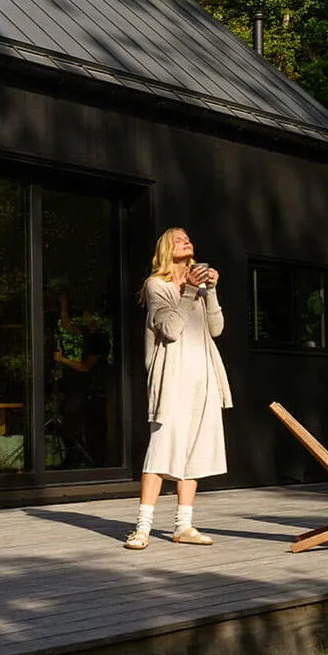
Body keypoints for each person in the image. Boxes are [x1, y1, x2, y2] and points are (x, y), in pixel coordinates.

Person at [125, 227, 231, 549]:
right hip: (172, 379)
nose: (187, 241)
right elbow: (170, 329)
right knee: (160, 451)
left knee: (194, 452)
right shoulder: (156, 286)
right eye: (180, 239)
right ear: (167, 249)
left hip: (203, 378)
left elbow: (216, 328)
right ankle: (142, 527)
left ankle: (183, 526)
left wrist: (210, 291)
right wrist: (190, 291)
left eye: (188, 238)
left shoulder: (200, 287)